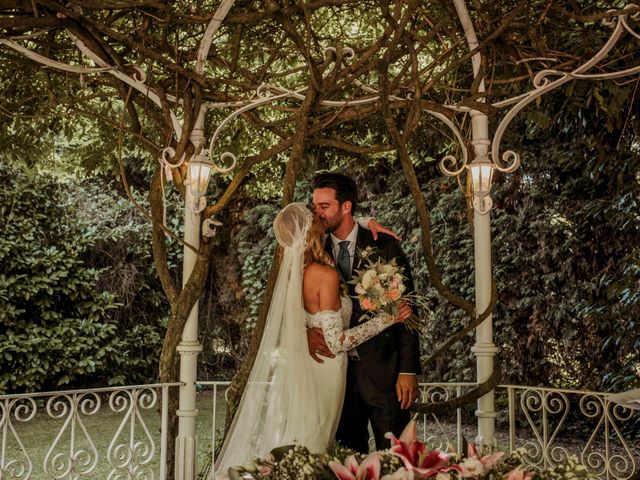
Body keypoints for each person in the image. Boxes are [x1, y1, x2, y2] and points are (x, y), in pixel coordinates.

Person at [213, 202, 410, 477]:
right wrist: (388, 319)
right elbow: (337, 342)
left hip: (309, 366)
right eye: (317, 217)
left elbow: (300, 323)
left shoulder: (295, 275)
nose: (321, 218)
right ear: (311, 231)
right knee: (317, 445)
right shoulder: (325, 276)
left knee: (305, 443)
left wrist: (365, 221)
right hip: (327, 368)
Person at [308, 172, 421, 453]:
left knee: (395, 458)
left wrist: (408, 369)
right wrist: (305, 332)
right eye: (315, 206)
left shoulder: (383, 244)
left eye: (324, 206)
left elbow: (409, 307)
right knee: (347, 459)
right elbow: (298, 303)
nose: (317, 213)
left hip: (385, 372)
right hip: (337, 374)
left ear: (346, 207)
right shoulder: (312, 248)